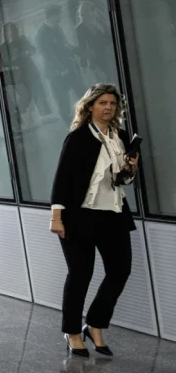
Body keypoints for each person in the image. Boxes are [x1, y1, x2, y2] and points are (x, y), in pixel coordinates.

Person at [50, 84, 138, 357]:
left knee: (120, 270)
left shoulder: (120, 136)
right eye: (102, 103)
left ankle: (96, 324)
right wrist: (57, 217)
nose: (108, 107)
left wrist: (131, 168)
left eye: (112, 103)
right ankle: (72, 331)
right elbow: (62, 178)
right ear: (90, 107)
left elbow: (122, 180)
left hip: (113, 214)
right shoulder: (78, 138)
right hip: (79, 216)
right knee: (80, 275)